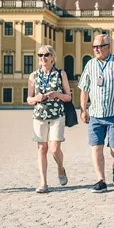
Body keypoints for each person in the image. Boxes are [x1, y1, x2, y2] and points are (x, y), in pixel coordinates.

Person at [79, 34, 114, 193]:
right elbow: (84, 88)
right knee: (96, 147)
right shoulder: (90, 64)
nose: (96, 49)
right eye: (94, 47)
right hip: (95, 114)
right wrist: (83, 109)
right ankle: (101, 180)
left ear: (108, 47)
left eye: (100, 46)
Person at [26, 45, 73, 194]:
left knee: (54, 148)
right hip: (39, 116)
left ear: (53, 57)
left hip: (57, 116)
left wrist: (56, 94)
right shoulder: (33, 76)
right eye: (40, 55)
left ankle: (60, 168)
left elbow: (68, 97)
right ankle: (43, 182)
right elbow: (29, 99)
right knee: (42, 149)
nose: (43, 58)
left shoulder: (60, 74)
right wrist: (36, 98)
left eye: (46, 55)